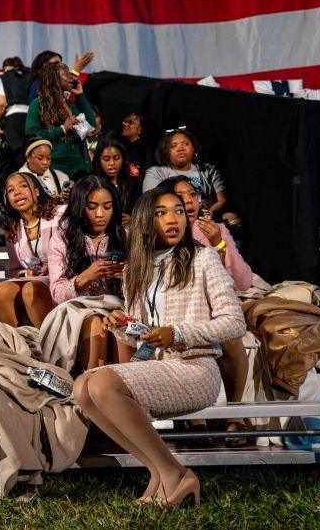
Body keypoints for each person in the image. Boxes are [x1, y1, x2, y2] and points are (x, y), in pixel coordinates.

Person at [74, 188, 246, 506]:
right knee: (82, 388)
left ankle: (174, 473)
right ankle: (158, 472)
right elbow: (143, 335)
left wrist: (178, 333)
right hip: (159, 364)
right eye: (162, 212)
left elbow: (235, 324)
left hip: (196, 368)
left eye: (179, 211)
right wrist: (123, 326)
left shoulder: (203, 257)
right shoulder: (140, 268)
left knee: (100, 382)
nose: (173, 219)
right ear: (145, 221)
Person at [159, 176, 254, 445]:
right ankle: (194, 418)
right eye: (180, 196)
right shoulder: (164, 231)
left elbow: (243, 281)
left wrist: (219, 244)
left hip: (215, 304)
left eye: (193, 194)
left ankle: (234, 417)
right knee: (186, 333)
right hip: (182, 307)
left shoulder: (215, 230)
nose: (188, 200)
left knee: (232, 339)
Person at [47, 175, 129, 371]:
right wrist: (84, 278)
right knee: (94, 323)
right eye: (92, 207)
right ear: (78, 206)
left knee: (122, 322)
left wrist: (127, 278)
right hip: (77, 310)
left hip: (119, 306)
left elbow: (146, 289)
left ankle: (124, 388)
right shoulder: (62, 239)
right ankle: (89, 386)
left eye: (107, 207)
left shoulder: (127, 236)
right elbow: (57, 293)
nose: (100, 214)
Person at [0, 172, 65, 328]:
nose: (17, 192)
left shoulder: (60, 214)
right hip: (34, 278)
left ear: (37, 191)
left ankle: (48, 343)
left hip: (62, 277)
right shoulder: (13, 228)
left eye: (23, 186)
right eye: (11, 190)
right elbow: (16, 269)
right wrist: (28, 273)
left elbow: (73, 254)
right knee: (2, 290)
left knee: (31, 289)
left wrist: (50, 269)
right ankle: (15, 343)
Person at [142, 128, 235, 223]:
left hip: (205, 219)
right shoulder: (156, 172)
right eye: (173, 146)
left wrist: (210, 211)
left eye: (186, 144)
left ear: (193, 148)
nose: (180, 149)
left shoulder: (208, 170)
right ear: (166, 152)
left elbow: (222, 199)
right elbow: (150, 202)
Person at [26, 61, 96, 178]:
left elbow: (91, 126)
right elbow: (31, 134)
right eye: (66, 73)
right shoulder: (38, 104)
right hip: (55, 168)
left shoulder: (71, 105)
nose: (71, 77)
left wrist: (80, 96)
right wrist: (62, 129)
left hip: (79, 168)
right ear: (54, 79)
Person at [92, 139, 140, 227]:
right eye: (106, 159)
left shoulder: (134, 183)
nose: (112, 163)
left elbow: (141, 211)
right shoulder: (92, 184)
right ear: (99, 161)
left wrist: (133, 219)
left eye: (117, 158)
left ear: (123, 159)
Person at [0, 57, 31, 162]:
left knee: (17, 154)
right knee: (31, 151)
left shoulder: (6, 76)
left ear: (5, 68)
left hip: (14, 119)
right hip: (32, 117)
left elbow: (1, 104)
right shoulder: (31, 76)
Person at [118, 111, 152, 176]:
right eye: (125, 121)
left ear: (140, 129)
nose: (125, 124)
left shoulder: (146, 150)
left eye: (131, 122)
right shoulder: (117, 145)